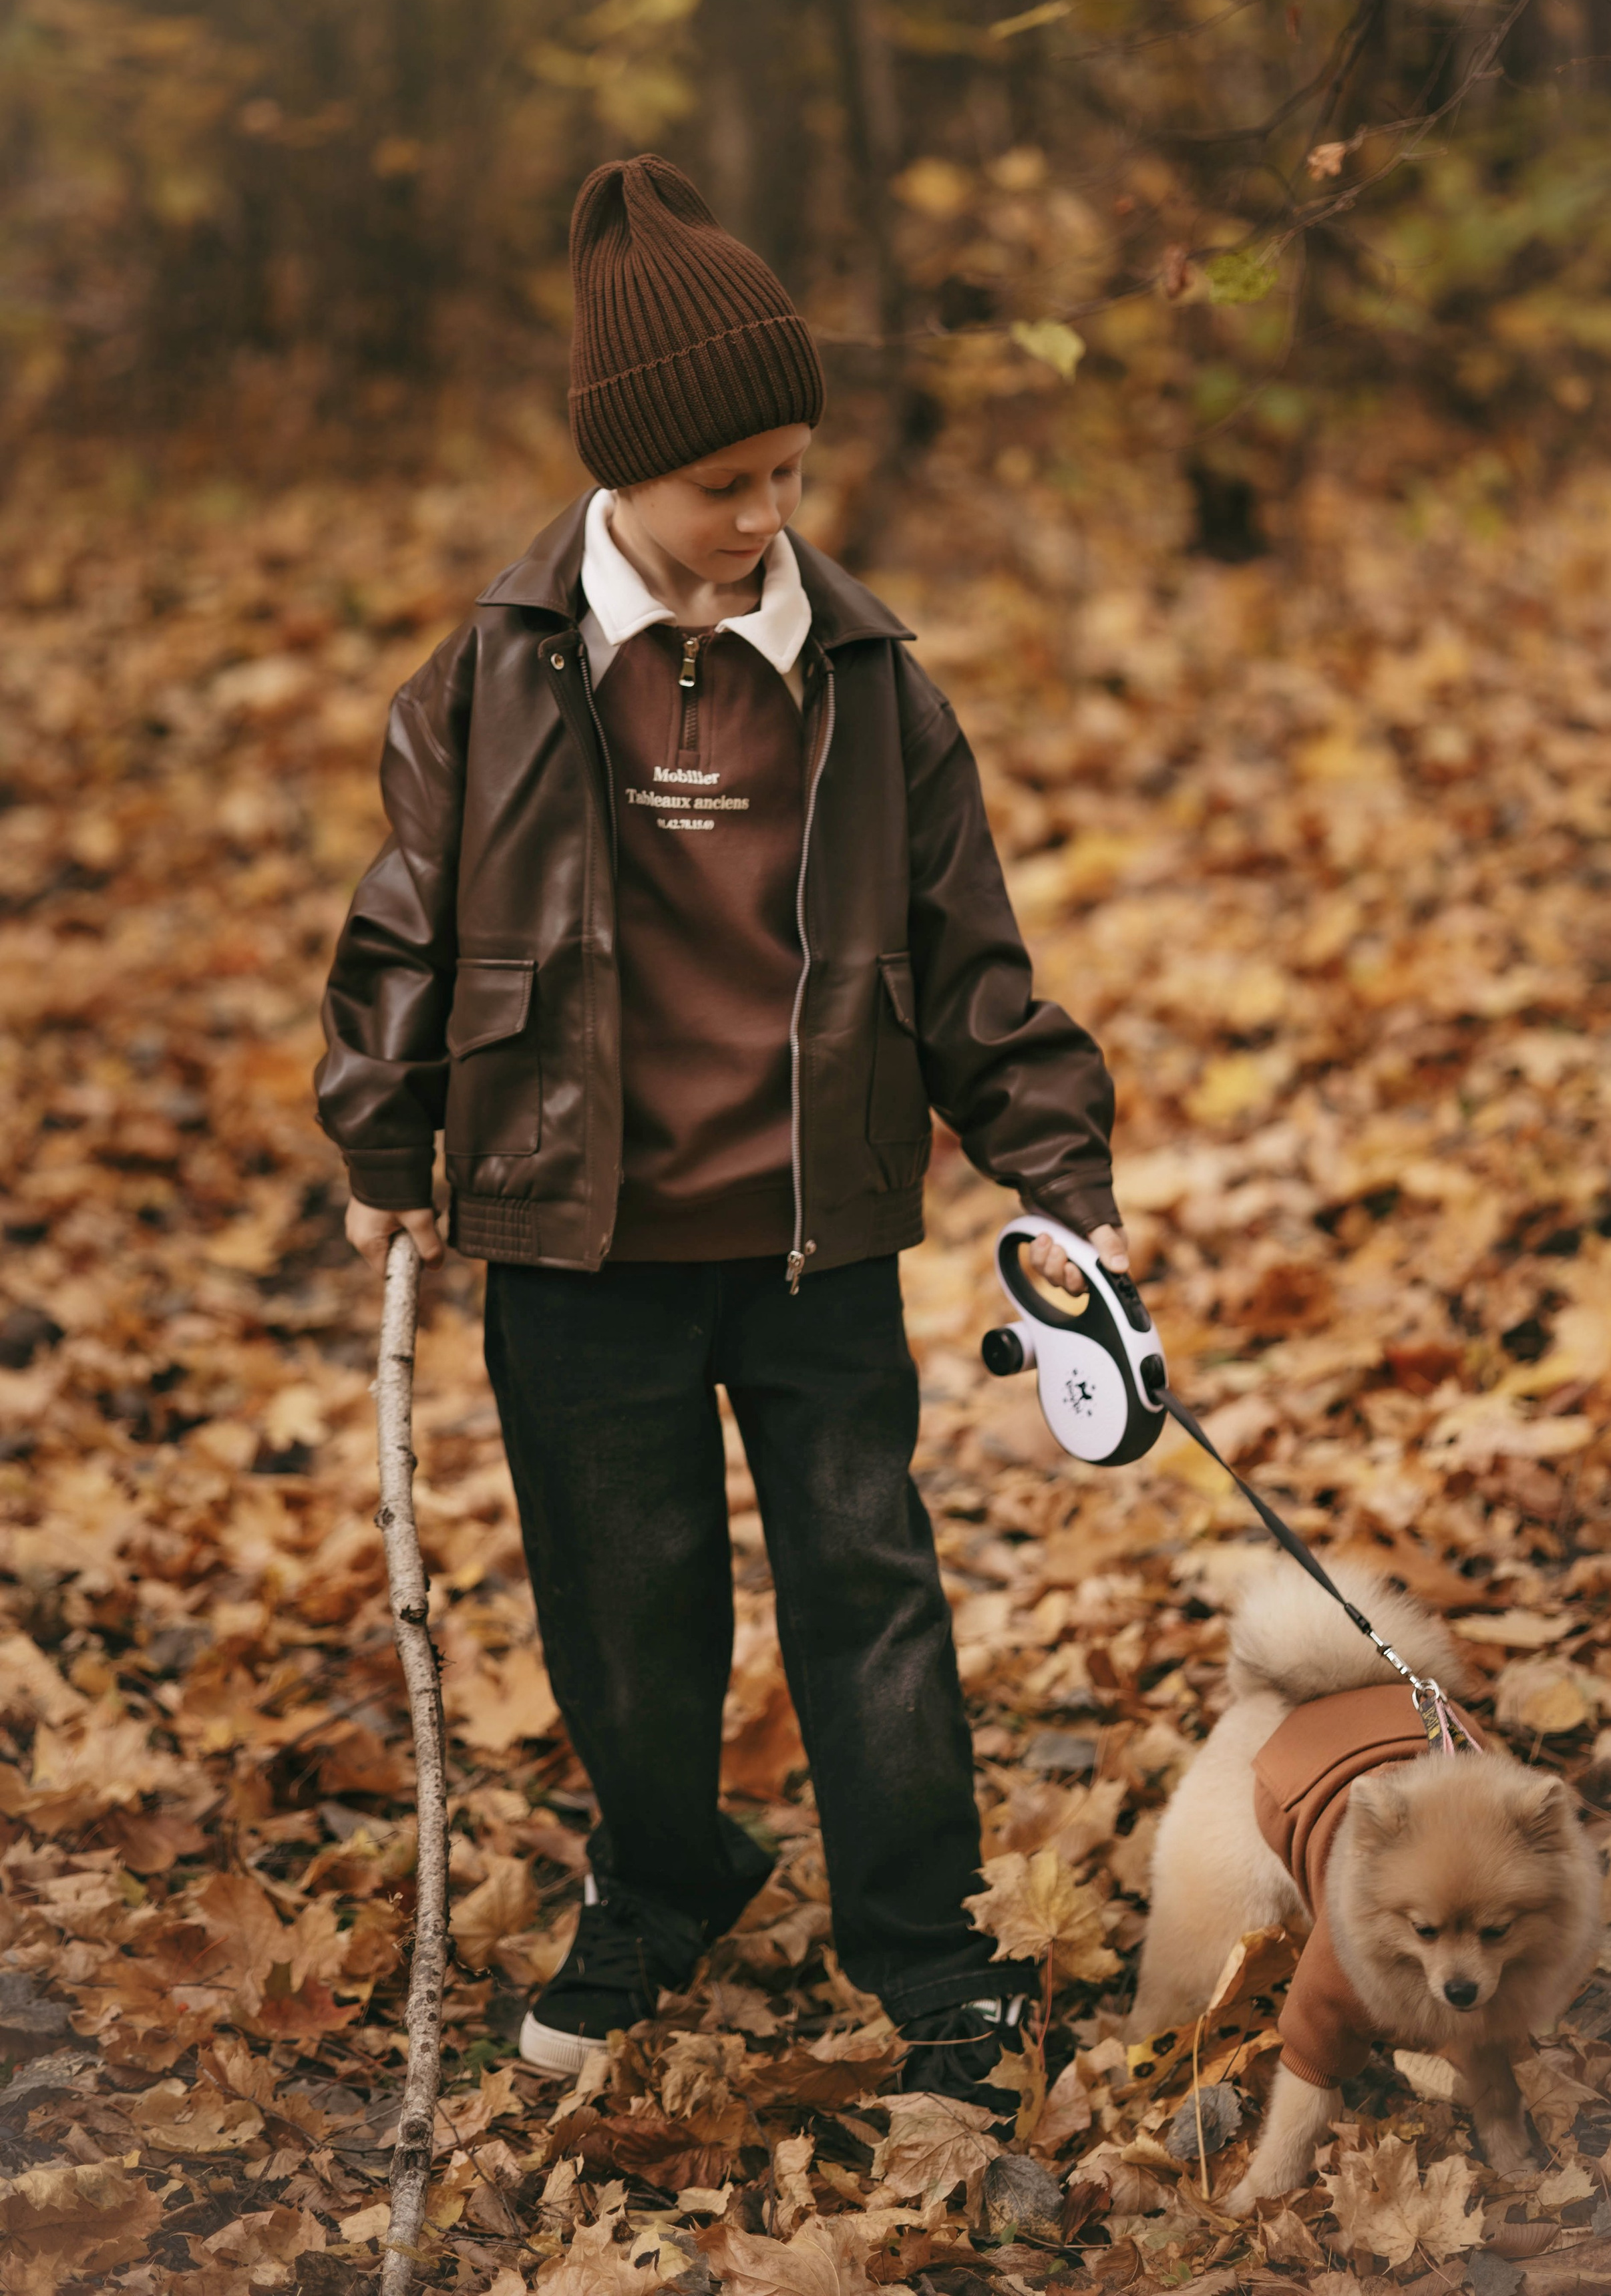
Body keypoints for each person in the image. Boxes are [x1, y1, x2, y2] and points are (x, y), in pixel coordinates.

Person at [316, 154, 1131, 2120]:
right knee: (625, 1603)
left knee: (869, 1580)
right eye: (724, 483)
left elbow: (968, 963)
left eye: (789, 474)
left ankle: (928, 1948)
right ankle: (664, 1878)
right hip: (573, 1235)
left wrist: (1063, 1181)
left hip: (809, 1237)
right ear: (620, 474)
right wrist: (380, 1141)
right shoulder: (496, 673)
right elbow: (405, 920)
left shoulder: (867, 685)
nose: (763, 516)